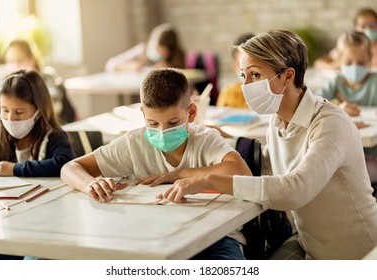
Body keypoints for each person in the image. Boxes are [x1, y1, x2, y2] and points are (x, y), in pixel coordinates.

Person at [157, 29, 377, 260]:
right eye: (243, 76)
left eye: (255, 75)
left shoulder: (330, 123)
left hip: (357, 253)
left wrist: (211, 180)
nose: (246, 85)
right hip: (311, 244)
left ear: (287, 75)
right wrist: (217, 142)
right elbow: (267, 164)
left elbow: (295, 189)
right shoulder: (278, 119)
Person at [61, 68, 251, 260]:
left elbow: (242, 173)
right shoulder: (134, 143)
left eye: (173, 122)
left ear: (191, 112)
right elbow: (70, 168)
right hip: (151, 235)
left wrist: (179, 174)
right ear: (142, 113)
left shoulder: (205, 139)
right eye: (153, 124)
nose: (162, 131)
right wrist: (90, 184)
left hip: (214, 237)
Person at [0, 70, 75, 259]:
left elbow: (64, 164)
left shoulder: (53, 138)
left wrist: (14, 169)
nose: (11, 119)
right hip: (9, 222)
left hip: (47, 226)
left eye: (19, 112)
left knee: (33, 263)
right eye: (5, 110)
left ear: (38, 110)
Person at [315, 30, 377, 194]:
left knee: (357, 180)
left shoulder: (375, 81)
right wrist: (337, 107)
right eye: (348, 62)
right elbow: (314, 103)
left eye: (361, 62)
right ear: (339, 61)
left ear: (370, 60)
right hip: (343, 154)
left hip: (371, 154)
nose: (355, 67)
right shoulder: (336, 82)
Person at [5, 39, 77, 124]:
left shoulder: (47, 77)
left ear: (32, 60)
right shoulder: (9, 86)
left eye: (20, 60)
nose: (15, 65)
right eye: (10, 61)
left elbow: (52, 111)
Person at [105, 23, 185, 72]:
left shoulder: (176, 58)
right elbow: (110, 64)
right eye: (156, 48)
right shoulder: (141, 51)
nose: (158, 54)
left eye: (162, 54)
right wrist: (128, 67)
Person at [216, 33, 254, 108]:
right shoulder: (228, 93)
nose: (248, 71)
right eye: (242, 65)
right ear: (234, 66)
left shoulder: (269, 93)